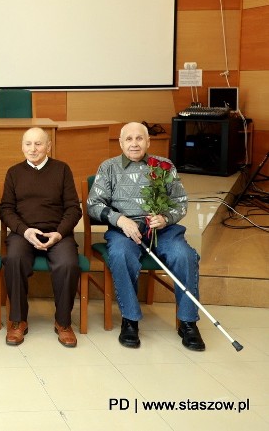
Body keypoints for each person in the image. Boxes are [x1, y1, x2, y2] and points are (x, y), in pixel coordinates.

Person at [87, 122, 205, 351]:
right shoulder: (108, 168)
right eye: (128, 139)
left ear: (148, 142)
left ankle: (188, 322)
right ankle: (130, 320)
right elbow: (93, 204)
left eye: (139, 139)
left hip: (163, 231)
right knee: (121, 255)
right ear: (120, 143)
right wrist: (119, 219)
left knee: (184, 256)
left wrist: (166, 218)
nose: (134, 144)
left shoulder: (164, 166)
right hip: (125, 231)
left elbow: (180, 203)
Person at [0, 127, 82, 347]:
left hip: (57, 233)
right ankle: (18, 321)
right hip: (24, 233)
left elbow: (74, 208)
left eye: (38, 144)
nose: (33, 149)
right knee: (14, 259)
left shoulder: (62, 170)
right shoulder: (14, 172)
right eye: (28, 144)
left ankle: (63, 322)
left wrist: (59, 233)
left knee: (68, 264)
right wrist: (24, 230)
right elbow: (6, 209)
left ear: (48, 146)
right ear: (22, 146)